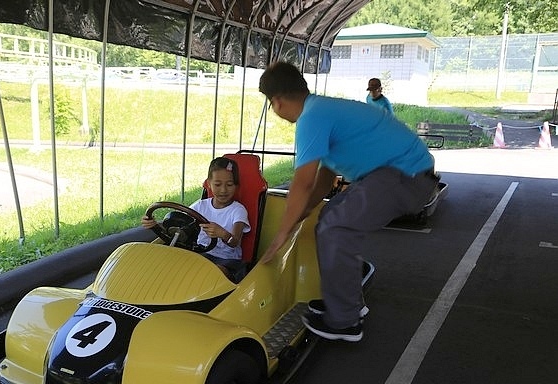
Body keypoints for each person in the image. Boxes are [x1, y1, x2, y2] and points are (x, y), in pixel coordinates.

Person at [258, 62, 436, 342]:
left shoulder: (312, 117)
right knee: (329, 216)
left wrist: (281, 234)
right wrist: (303, 213)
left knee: (336, 228)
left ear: (277, 102)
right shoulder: (321, 109)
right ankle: (347, 301)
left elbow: (302, 182)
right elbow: (324, 179)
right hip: (399, 174)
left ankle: (345, 321)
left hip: (405, 175)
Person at [141, 157, 251, 282]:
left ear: (236, 186)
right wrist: (154, 225)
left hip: (226, 261)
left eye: (229, 185)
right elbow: (181, 224)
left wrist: (222, 233)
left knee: (212, 274)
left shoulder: (238, 210)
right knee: (168, 263)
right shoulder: (200, 206)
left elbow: (234, 241)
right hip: (200, 254)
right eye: (217, 184)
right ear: (209, 183)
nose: (223, 190)